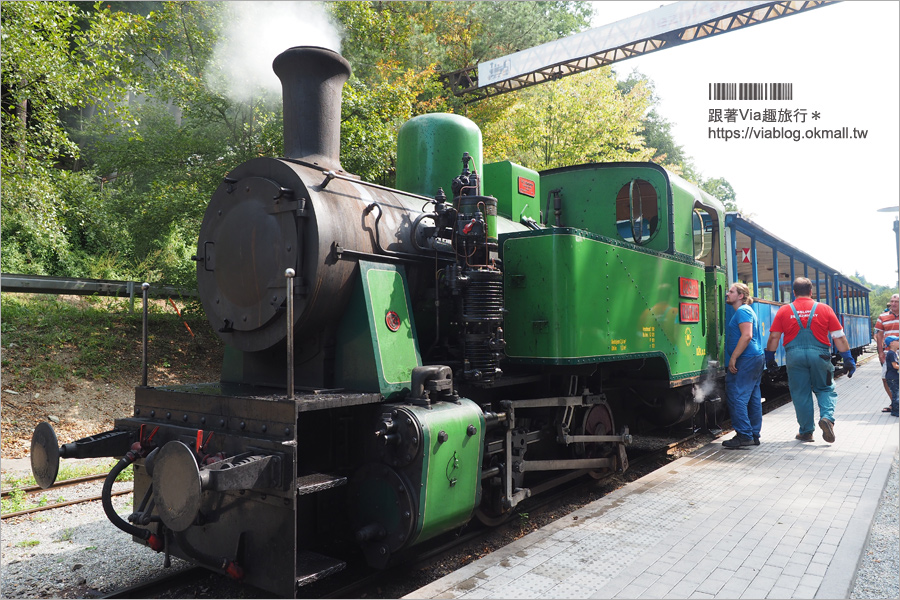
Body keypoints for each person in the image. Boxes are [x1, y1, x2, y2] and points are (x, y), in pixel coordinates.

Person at [765, 277, 856, 443]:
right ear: (811, 292)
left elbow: (774, 337)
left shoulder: (785, 310)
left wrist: (770, 358)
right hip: (820, 356)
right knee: (825, 388)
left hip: (795, 357)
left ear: (794, 292)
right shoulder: (825, 309)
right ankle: (827, 418)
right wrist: (848, 358)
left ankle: (806, 432)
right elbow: (839, 337)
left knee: (801, 394)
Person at [722, 282, 765, 448]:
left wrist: (733, 357)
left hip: (746, 359)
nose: (727, 294)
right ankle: (753, 434)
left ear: (740, 296)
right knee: (753, 396)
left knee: (737, 396)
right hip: (753, 358)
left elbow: (746, 336)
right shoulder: (745, 311)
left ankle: (744, 435)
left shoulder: (743, 311)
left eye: (731, 291)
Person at [874, 294, 899, 411]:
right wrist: (880, 352)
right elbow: (879, 335)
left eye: (896, 301)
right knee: (886, 378)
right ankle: (894, 402)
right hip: (889, 352)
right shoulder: (882, 317)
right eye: (892, 301)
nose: (894, 304)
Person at [884, 335, 899, 417]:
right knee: (896, 395)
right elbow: (895, 365)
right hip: (892, 377)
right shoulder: (891, 353)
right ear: (892, 343)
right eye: (898, 341)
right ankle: (896, 411)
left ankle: (894, 410)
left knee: (896, 394)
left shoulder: (895, 353)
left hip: (894, 377)